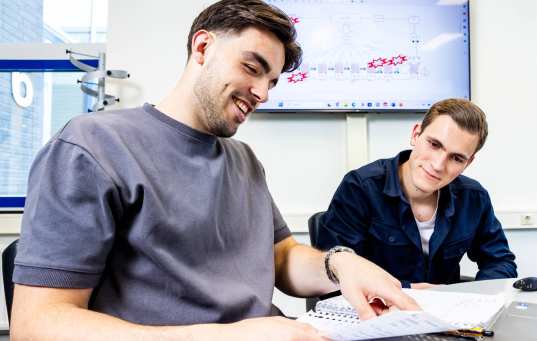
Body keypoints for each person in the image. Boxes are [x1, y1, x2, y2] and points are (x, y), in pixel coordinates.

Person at [10, 1, 419, 340]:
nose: (261, 93)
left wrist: (340, 264)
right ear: (202, 47)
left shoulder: (244, 160)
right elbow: (38, 323)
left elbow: (281, 258)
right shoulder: (93, 146)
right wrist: (232, 336)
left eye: (272, 82)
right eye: (252, 67)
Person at [315, 98, 518, 289]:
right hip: (374, 315)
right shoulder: (360, 188)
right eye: (434, 144)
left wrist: (476, 299)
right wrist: (406, 290)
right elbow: (332, 272)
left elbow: (500, 261)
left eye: (456, 158)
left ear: (468, 163)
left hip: (445, 319)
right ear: (415, 134)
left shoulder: (473, 197)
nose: (438, 165)